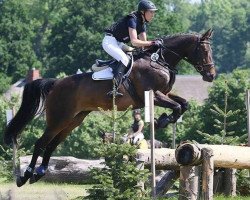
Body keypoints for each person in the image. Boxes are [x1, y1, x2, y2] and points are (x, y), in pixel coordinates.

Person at [103, 0, 162, 96]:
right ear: (143, 12)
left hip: (119, 43)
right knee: (124, 59)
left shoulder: (142, 24)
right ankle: (114, 89)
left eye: (153, 12)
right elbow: (134, 42)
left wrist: (155, 47)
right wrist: (152, 43)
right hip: (109, 41)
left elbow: (143, 46)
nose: (153, 14)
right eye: (151, 12)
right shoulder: (132, 19)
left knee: (134, 56)